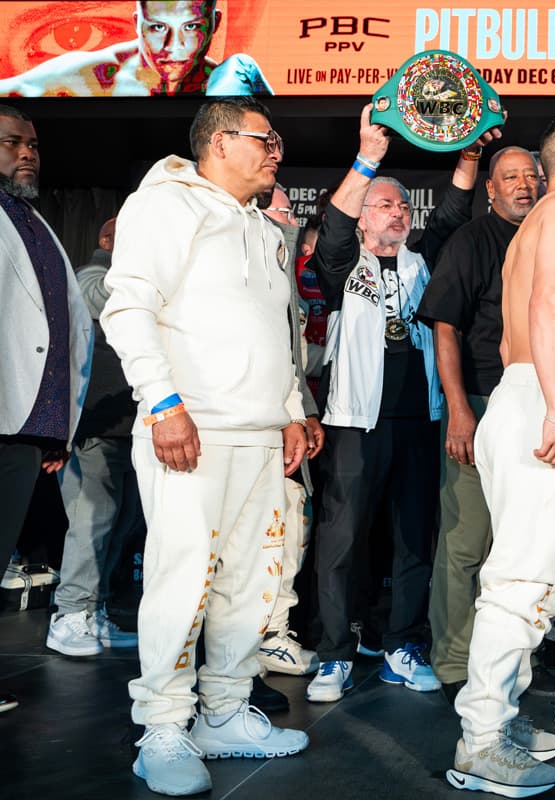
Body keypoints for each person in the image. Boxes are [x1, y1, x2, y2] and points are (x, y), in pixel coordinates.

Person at [101, 96, 308, 796]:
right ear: (220, 142)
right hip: (189, 427)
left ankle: (222, 712)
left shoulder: (258, 226)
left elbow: (270, 333)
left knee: (248, 586)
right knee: (181, 579)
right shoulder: (165, 205)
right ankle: (163, 725)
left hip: (255, 435)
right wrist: (162, 403)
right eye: (265, 139)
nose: (277, 151)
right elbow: (128, 304)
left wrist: (287, 411)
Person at [447, 110, 555, 798]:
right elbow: (551, 300)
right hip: (540, 401)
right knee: (522, 582)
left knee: (536, 583)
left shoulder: (541, 222)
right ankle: (481, 741)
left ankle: (503, 719)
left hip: (527, 399)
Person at [304, 106, 494, 704]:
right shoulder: (342, 264)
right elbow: (332, 227)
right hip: (356, 421)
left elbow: (456, 212)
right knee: (343, 538)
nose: (398, 212)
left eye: (403, 205)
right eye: (384, 205)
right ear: (363, 218)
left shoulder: (423, 261)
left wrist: (468, 158)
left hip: (421, 419)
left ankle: (400, 647)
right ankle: (334, 654)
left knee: (416, 537)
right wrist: (369, 160)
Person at [419, 146, 541, 705]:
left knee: (522, 545)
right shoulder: (472, 240)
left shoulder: (551, 239)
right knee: (467, 542)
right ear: (489, 190)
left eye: (532, 176)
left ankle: (510, 661)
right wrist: (459, 409)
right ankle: (452, 663)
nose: (524, 184)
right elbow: (445, 328)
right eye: (510, 177)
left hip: (541, 408)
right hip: (481, 402)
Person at [0, 103, 93, 714]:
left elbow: (62, 324)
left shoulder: (33, 219)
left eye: (32, 144)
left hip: (28, 423)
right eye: (13, 142)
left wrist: (57, 426)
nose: (28, 152)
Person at [46, 217, 141, 659]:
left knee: (115, 526)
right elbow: (97, 299)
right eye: (134, 232)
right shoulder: (92, 273)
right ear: (107, 240)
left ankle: (93, 609)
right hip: (93, 427)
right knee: (91, 520)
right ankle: (69, 614)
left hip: (128, 427)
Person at [252, 183, 323, 703]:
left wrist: (306, 412)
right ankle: (253, 641)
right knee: (258, 539)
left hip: (287, 421)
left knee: (291, 526)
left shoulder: (283, 278)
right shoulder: (249, 267)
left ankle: (274, 632)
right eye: (282, 208)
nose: (290, 217)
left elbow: (294, 360)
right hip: (251, 427)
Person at [0, 1, 271, 97]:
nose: (172, 47)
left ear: (216, 23)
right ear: (137, 24)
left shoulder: (231, 81)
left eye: (191, 28)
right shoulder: (96, 77)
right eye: (157, 28)